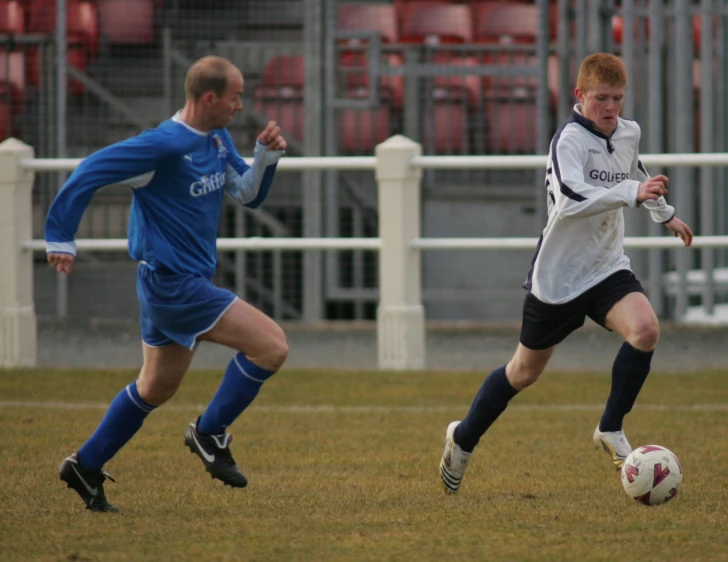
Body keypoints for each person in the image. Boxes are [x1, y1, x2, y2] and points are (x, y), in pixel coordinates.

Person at [439, 53, 694, 494]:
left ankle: (610, 427)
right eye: (601, 99)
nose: (610, 108)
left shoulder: (628, 131)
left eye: (617, 98)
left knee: (646, 330)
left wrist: (664, 213)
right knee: (523, 372)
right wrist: (632, 193)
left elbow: (636, 171)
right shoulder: (569, 140)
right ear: (580, 96)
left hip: (606, 266)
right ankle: (462, 439)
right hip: (558, 278)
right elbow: (572, 198)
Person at [46, 56, 289, 512]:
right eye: (235, 96)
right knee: (271, 346)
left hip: (174, 284)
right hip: (174, 286)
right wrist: (61, 234)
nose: (241, 106)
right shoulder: (162, 145)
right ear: (210, 97)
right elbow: (90, 170)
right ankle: (209, 434)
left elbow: (247, 193)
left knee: (155, 388)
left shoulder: (215, 138)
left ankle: (85, 464)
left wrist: (266, 158)